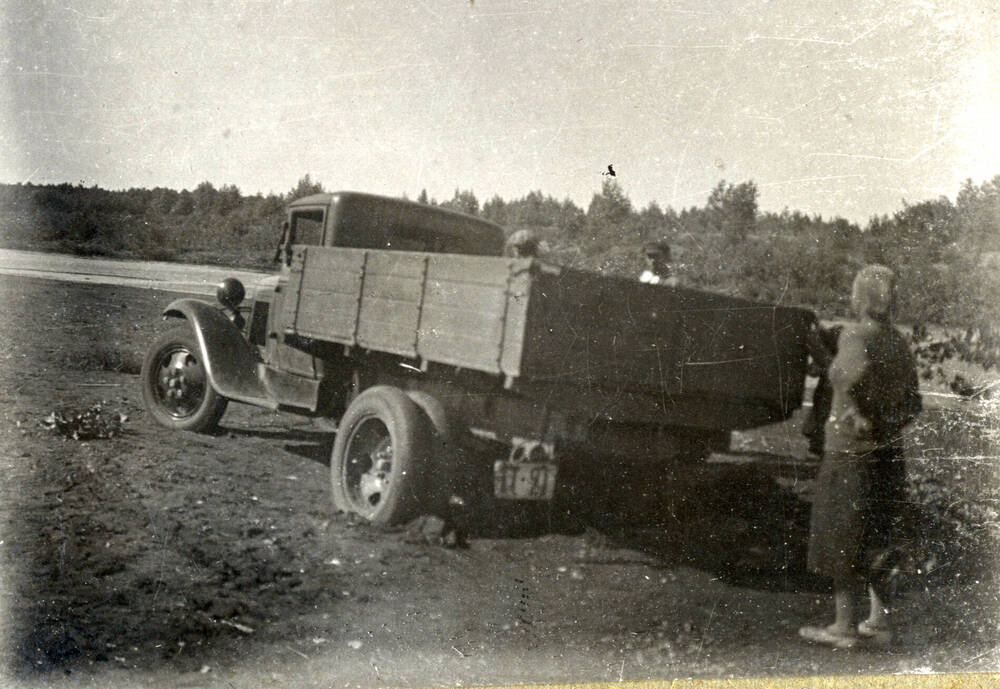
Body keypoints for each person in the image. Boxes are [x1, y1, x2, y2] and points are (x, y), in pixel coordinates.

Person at [798, 265, 922, 649]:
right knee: (879, 533)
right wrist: (884, 423)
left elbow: (844, 380)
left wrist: (815, 349)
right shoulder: (899, 342)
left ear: (861, 297)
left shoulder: (855, 334)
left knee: (843, 533)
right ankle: (878, 623)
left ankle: (842, 627)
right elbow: (913, 402)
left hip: (850, 451)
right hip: (887, 451)